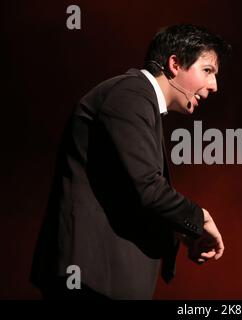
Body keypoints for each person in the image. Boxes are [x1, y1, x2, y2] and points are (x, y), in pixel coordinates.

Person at [30, 24, 231, 299]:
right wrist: (200, 218)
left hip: (102, 278)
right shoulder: (130, 95)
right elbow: (147, 187)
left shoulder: (139, 99)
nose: (214, 86)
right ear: (174, 63)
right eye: (207, 70)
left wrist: (184, 234)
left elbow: (124, 192)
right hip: (90, 277)